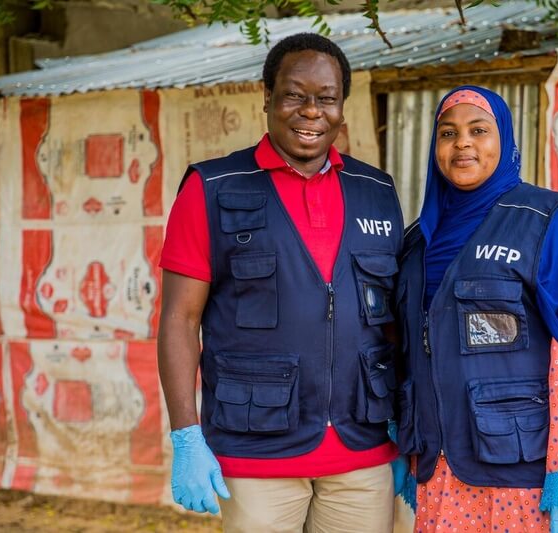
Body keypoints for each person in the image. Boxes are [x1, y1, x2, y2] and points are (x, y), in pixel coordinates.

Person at [157, 33, 406, 533]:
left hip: (363, 451)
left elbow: (393, 317)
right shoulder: (212, 188)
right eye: (294, 95)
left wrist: (405, 425)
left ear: (341, 107)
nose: (310, 111)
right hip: (256, 451)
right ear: (267, 98)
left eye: (326, 98)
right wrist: (186, 437)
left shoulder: (376, 190)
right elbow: (180, 320)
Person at [393, 86, 558, 532]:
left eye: (479, 130)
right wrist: (400, 438)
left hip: (525, 476)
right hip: (441, 469)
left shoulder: (547, 222)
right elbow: (406, 350)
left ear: (505, 140)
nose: (462, 143)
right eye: (448, 133)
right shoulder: (417, 241)